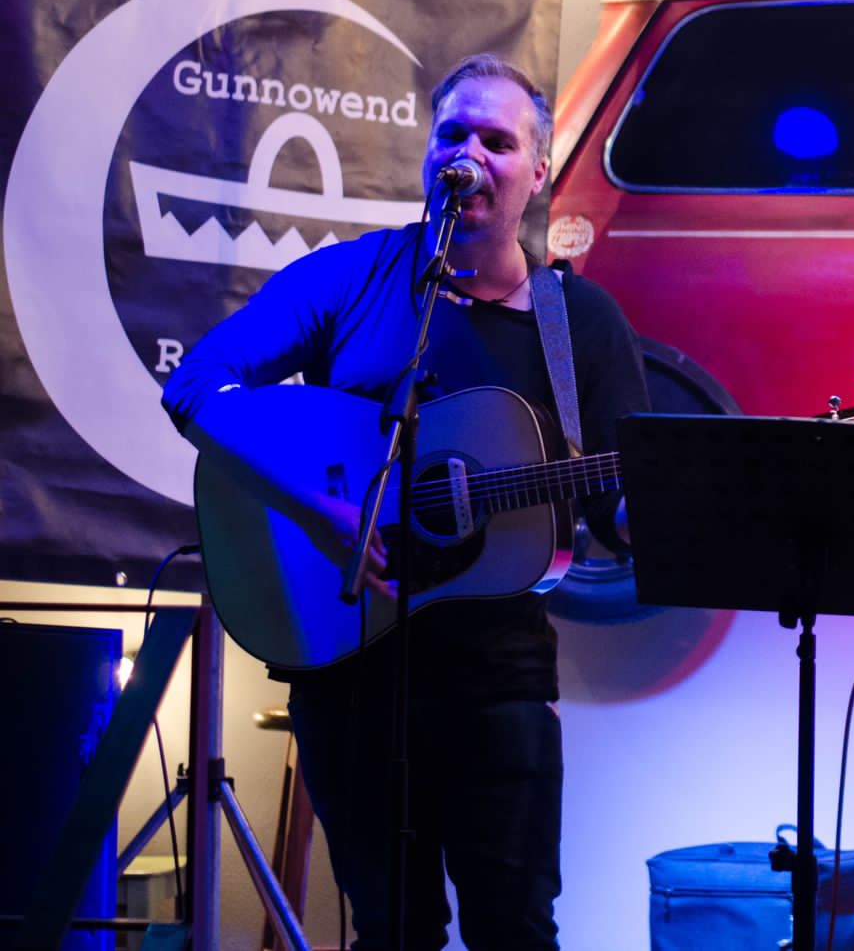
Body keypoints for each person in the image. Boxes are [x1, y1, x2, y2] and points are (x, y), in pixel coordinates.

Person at [162, 55, 649, 950]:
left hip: (498, 678)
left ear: (538, 173)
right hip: (353, 674)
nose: (470, 155)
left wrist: (668, 519)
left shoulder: (580, 322)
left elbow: (623, 504)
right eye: (453, 134)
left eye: (498, 141)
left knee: (516, 930)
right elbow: (196, 388)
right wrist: (321, 510)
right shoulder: (351, 279)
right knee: (392, 931)